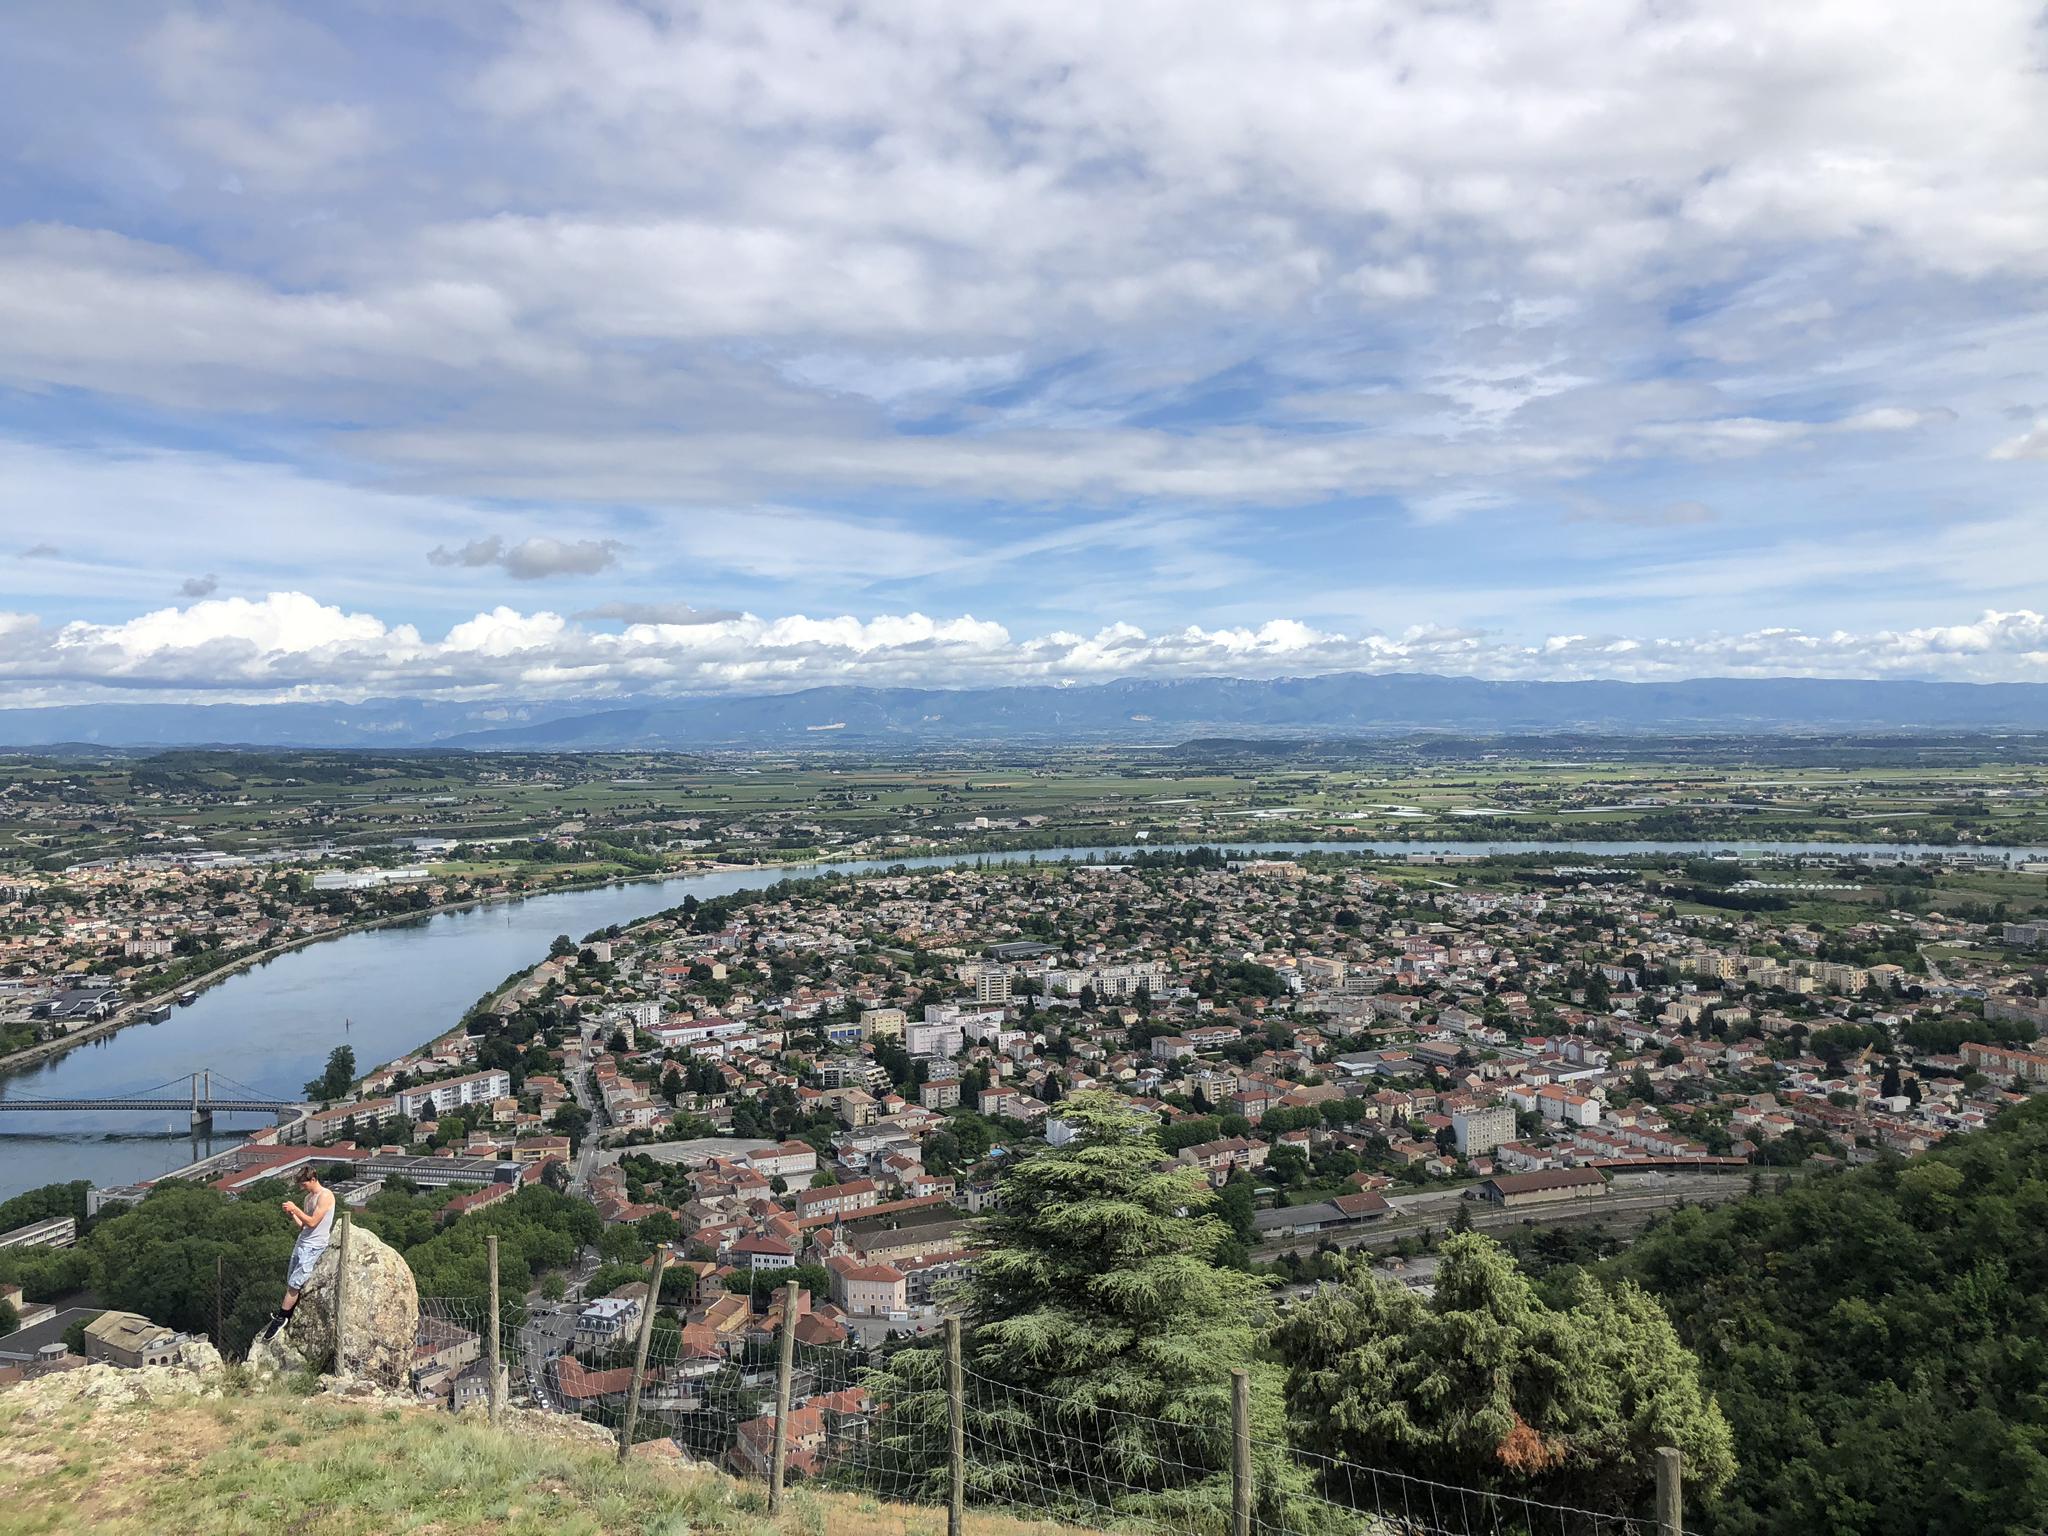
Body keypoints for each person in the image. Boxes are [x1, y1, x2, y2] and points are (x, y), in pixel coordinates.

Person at [270, 1165, 336, 1337]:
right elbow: (304, 1225)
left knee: (295, 1282)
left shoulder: (325, 1196)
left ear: (313, 1179)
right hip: (302, 1242)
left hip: (314, 1245)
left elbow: (313, 1222)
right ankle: (289, 1314)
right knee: (291, 1279)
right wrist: (293, 1214)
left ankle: (282, 1317)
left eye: (304, 1184)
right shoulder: (308, 1198)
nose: (302, 1187)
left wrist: (295, 1209)